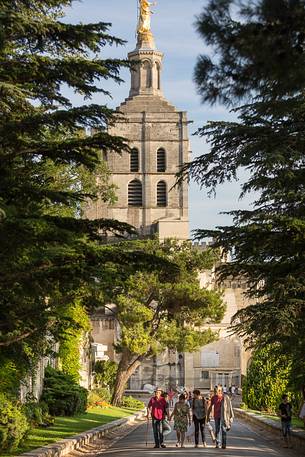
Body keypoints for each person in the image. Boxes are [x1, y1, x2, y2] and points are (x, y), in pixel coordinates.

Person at [207, 385, 234, 449]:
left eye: (219, 390)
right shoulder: (214, 398)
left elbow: (229, 407)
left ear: (221, 391)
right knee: (217, 430)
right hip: (216, 416)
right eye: (216, 390)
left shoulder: (225, 397)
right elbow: (210, 407)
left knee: (223, 429)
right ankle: (218, 443)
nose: (217, 391)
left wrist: (230, 416)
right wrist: (207, 416)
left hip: (223, 416)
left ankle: (224, 444)